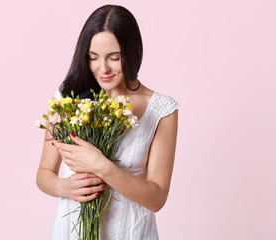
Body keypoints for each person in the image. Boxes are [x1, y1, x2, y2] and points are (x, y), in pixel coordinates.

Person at [36, 4, 179, 240]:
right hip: (74, 231)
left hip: (132, 233)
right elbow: (43, 173)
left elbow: (157, 198)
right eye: (93, 58)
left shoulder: (161, 110)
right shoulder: (67, 99)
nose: (103, 69)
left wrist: (102, 166)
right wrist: (66, 187)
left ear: (132, 53)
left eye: (114, 58)